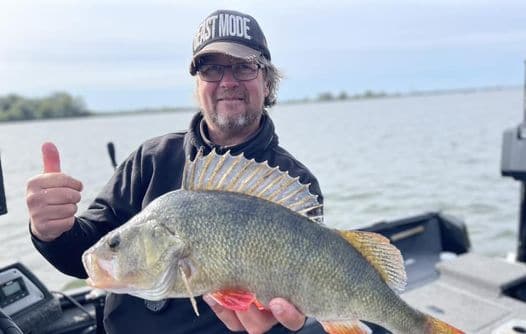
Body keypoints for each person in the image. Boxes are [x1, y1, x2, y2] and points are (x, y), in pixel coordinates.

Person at [26, 9, 324, 334]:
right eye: (211, 69)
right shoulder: (152, 159)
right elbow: (87, 257)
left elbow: (302, 293)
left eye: (243, 66)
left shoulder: (292, 183)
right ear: (198, 86)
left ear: (267, 82)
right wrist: (51, 232)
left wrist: (279, 328)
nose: (227, 81)